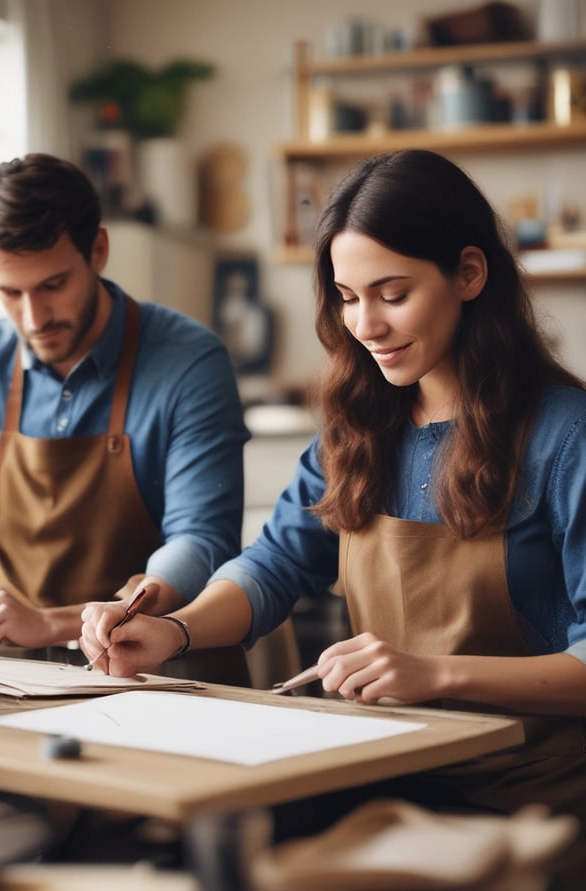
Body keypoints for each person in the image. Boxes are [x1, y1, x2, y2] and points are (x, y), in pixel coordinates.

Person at [81, 149, 586, 889]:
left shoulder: (564, 434)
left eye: (392, 293)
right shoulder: (359, 426)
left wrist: (434, 673)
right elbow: (276, 564)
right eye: (348, 297)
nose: (366, 324)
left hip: (531, 804)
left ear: (470, 274)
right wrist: (175, 628)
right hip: (387, 780)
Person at [0, 153, 250, 665]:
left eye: (53, 285)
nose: (34, 317)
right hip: (16, 674)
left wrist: (49, 622)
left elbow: (200, 544)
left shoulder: (189, 362)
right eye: (9, 292)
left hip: (157, 672)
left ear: (99, 251)